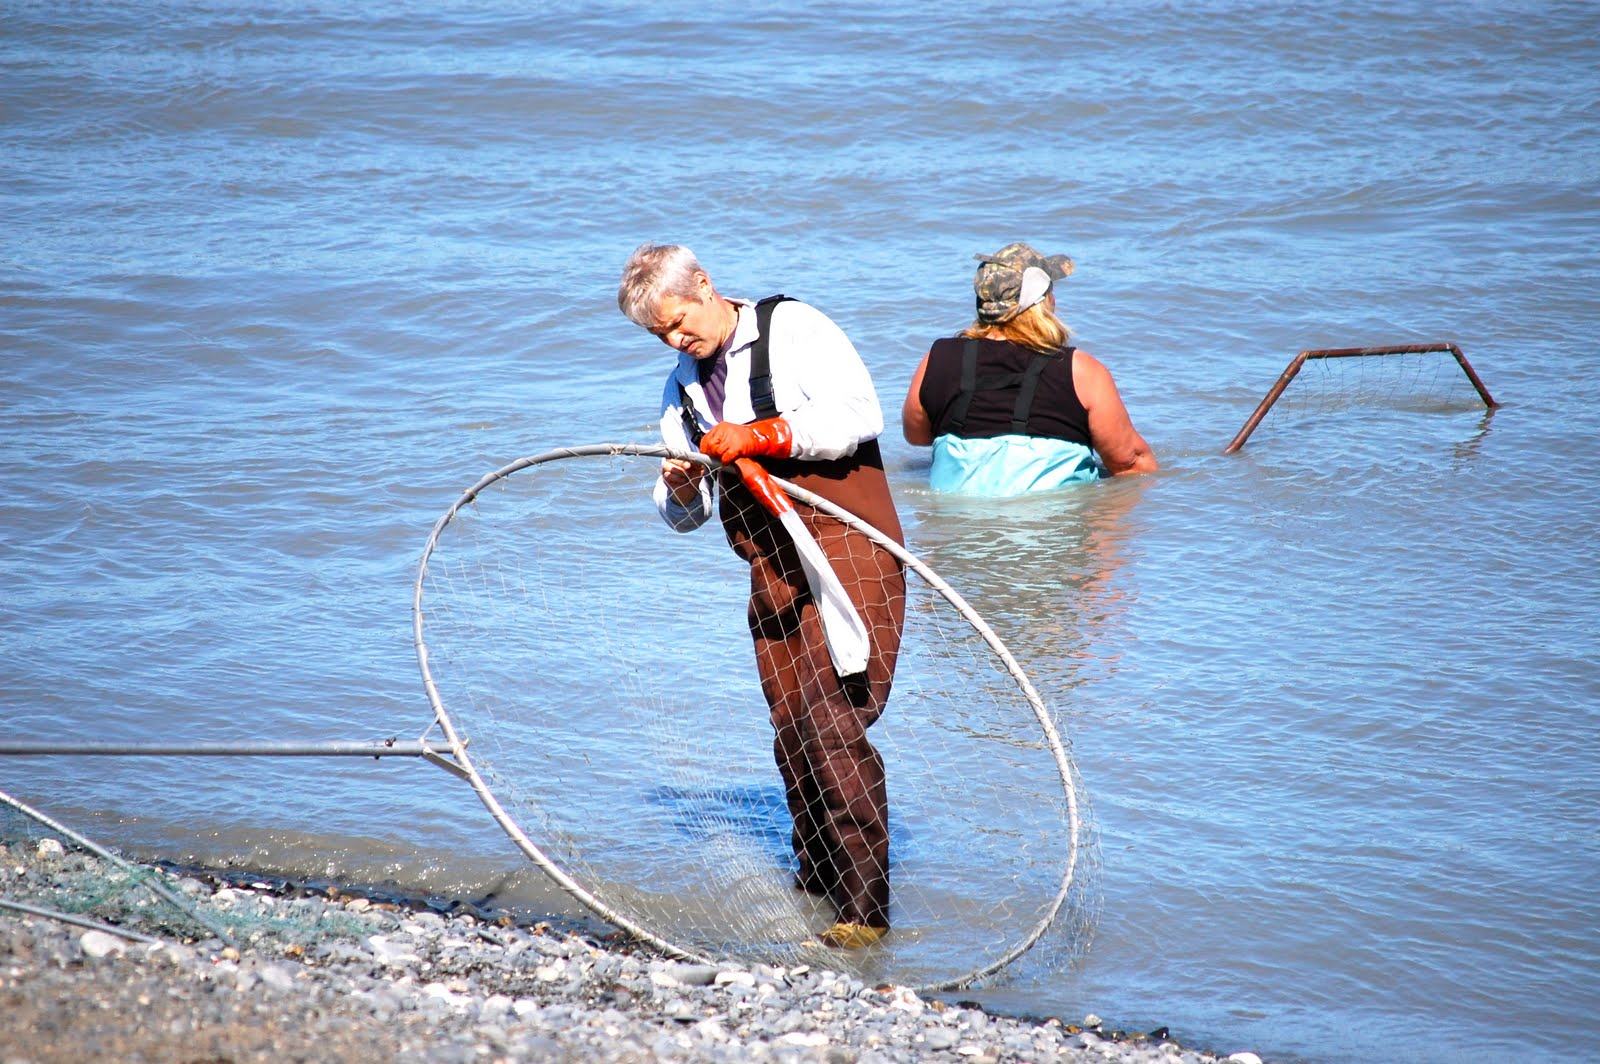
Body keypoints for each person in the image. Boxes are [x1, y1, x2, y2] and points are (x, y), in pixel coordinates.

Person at [617, 244, 906, 950]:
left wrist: (760, 435)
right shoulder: (679, 390)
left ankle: (865, 916)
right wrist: (681, 486)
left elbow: (859, 415)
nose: (674, 341)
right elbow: (681, 514)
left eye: (679, 323)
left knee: (835, 721)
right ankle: (815, 883)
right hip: (770, 565)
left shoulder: (793, 327)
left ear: (706, 286)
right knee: (792, 730)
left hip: (850, 549)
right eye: (659, 335)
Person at [902, 242, 1157, 495]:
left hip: (955, 528)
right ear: (1042, 302)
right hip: (1047, 529)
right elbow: (1132, 464)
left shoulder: (937, 359)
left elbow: (917, 436)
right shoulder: (1081, 371)